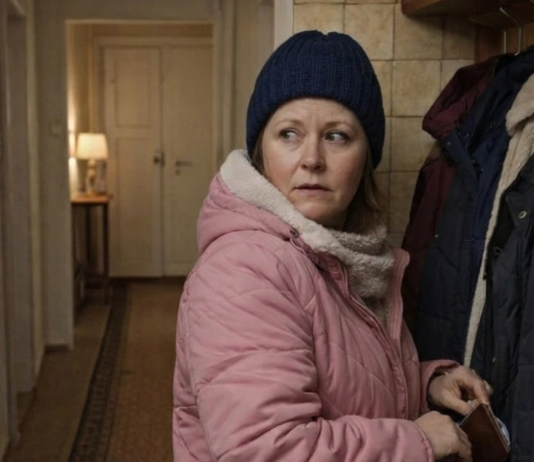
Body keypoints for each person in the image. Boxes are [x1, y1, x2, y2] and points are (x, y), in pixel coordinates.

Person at [173, 30, 492, 462]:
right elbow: (266, 450)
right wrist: (417, 441)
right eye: (288, 133)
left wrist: (428, 384)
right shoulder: (245, 271)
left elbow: (350, 384)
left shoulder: (347, 257)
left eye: (337, 136)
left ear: (365, 159)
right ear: (261, 151)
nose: (312, 159)